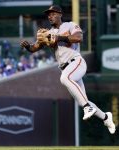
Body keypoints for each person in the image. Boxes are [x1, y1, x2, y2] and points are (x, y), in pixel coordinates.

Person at [20, 5, 116, 134]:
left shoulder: (70, 25)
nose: (50, 16)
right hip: (65, 67)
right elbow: (34, 48)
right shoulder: (48, 33)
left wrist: (59, 37)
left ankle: (88, 108)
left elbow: (79, 38)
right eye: (48, 14)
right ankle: (106, 117)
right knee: (82, 100)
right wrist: (28, 46)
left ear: (60, 14)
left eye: (53, 13)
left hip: (76, 62)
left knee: (65, 79)